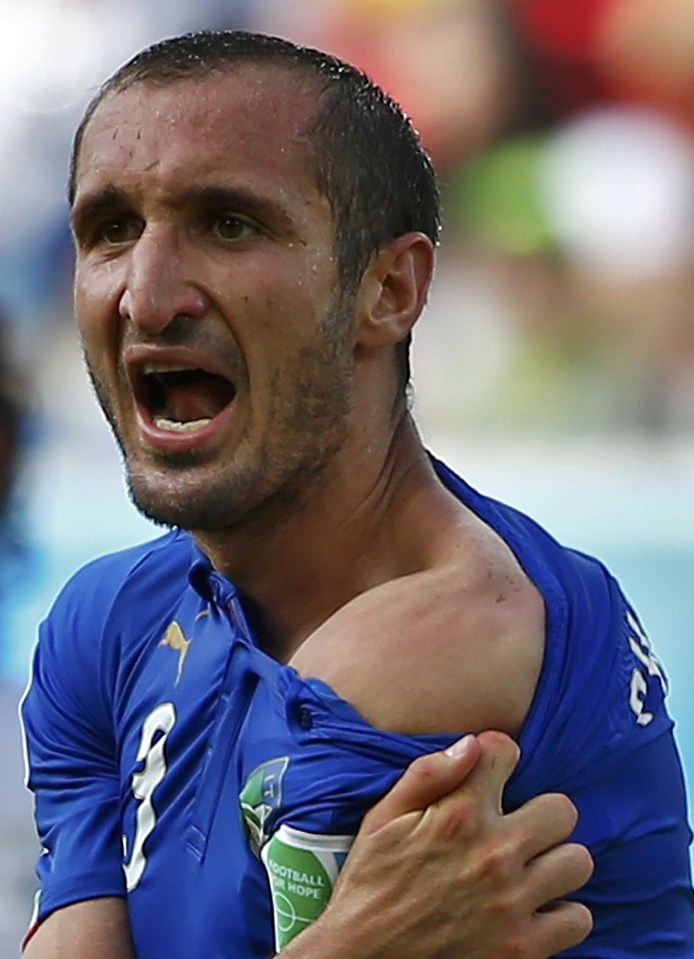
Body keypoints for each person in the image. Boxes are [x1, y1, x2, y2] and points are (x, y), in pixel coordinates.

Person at [19, 28, 693, 959]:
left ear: (389, 287)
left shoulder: (440, 647)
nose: (147, 294)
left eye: (228, 224)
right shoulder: (108, 623)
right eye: (112, 230)